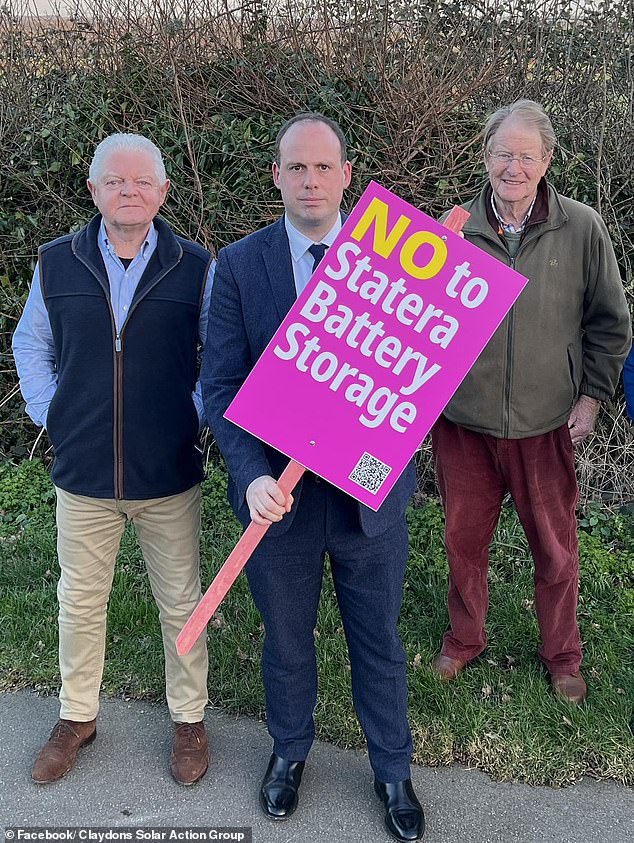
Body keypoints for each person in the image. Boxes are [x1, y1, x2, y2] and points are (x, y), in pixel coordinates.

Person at [201, 113, 425, 842]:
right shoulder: (238, 265)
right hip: (281, 500)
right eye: (296, 168)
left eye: (323, 167)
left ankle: (393, 768)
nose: (310, 180)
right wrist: (250, 473)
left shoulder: (392, 264)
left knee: (378, 640)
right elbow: (223, 385)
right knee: (288, 641)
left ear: (346, 175)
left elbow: (424, 374)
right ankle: (289, 753)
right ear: (276, 175)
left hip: (367, 498)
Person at [12, 133, 213, 785]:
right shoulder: (56, 261)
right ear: (93, 189)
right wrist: (53, 411)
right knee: (80, 601)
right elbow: (30, 344)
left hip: (168, 473)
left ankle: (188, 720)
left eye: (140, 180)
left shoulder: (195, 264)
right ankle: (77, 716)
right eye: (114, 180)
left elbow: (223, 353)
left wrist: (194, 411)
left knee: (182, 601)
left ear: (163, 191)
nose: (128, 190)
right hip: (84, 472)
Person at [430, 100, 631, 704]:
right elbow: (414, 319)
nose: (512, 166)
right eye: (501, 153)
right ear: (484, 156)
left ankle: (562, 654)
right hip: (463, 422)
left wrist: (592, 397)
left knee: (556, 547)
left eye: (525, 155)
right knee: (463, 542)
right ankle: (465, 640)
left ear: (546, 160)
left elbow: (610, 323)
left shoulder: (581, 228)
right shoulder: (454, 227)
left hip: (546, 424)